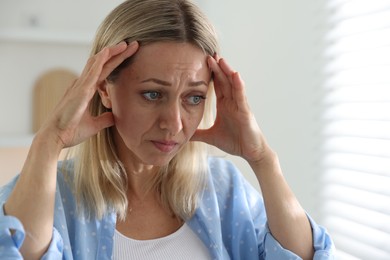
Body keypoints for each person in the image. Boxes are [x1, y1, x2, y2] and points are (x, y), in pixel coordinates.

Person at [0, 0, 335, 259]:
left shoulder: (222, 189)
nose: (174, 123)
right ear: (104, 89)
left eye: (194, 97)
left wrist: (262, 158)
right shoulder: (52, 192)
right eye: (152, 94)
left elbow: (304, 256)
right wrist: (49, 142)